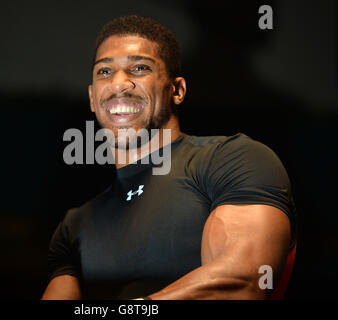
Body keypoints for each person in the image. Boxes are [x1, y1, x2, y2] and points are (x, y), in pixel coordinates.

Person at [41, 15, 297, 300]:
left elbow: (241, 282)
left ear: (177, 90)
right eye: (104, 72)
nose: (118, 84)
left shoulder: (233, 159)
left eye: (139, 68)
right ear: (92, 98)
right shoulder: (75, 224)